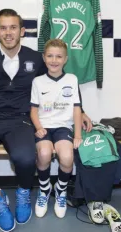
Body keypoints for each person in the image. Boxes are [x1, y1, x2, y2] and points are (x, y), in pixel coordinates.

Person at [0, 9, 92, 232]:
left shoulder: (36, 58)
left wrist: (81, 111)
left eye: (13, 27)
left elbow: (64, 80)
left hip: (20, 120)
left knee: (26, 158)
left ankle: (24, 192)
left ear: (22, 31)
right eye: (4, 28)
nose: (9, 33)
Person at [30, 39, 84, 219]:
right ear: (44, 58)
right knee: (44, 154)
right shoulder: (37, 81)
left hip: (63, 127)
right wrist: (38, 127)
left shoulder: (72, 79)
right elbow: (33, 110)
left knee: (67, 157)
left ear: (65, 59)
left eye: (59, 56)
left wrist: (77, 134)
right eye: (50, 56)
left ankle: (60, 189)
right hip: (44, 127)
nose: (54, 60)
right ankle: (45, 188)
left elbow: (77, 108)